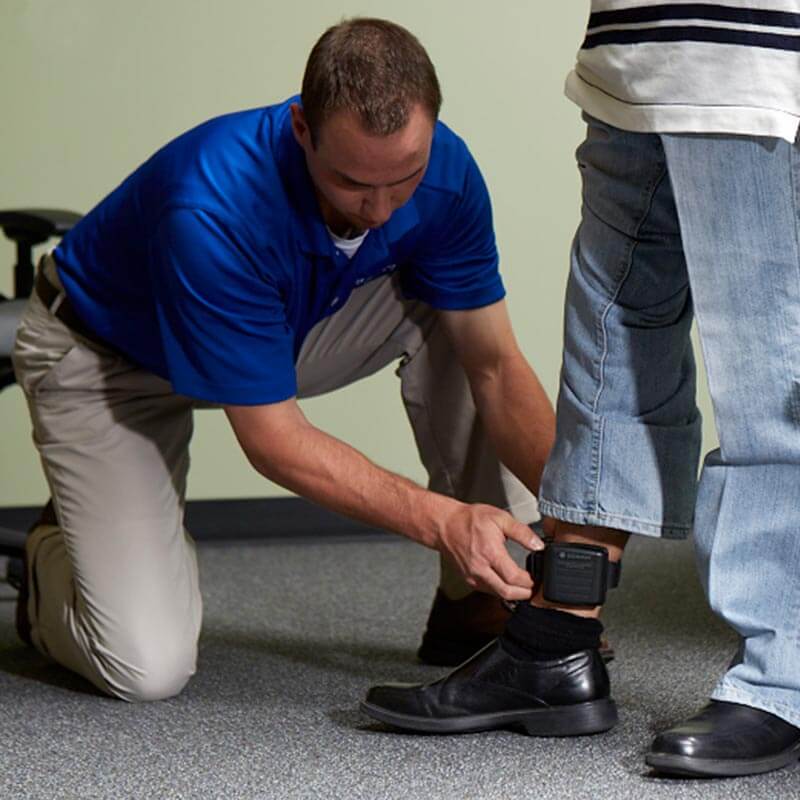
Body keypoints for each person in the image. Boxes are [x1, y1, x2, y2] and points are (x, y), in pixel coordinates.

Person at [10, 17, 557, 702]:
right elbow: (274, 442)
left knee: (454, 317)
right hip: (109, 360)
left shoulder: (446, 170)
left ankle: (475, 601)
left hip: (277, 323)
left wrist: (571, 518)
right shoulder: (211, 206)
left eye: (405, 179)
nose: (382, 210)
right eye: (354, 182)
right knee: (146, 668)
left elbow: (496, 364)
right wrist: (442, 518)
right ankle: (50, 563)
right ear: (302, 128)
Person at [362, 1, 800, 779]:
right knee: (611, 344)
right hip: (631, 55)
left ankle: (785, 676)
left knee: (768, 366)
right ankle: (556, 642)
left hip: (754, 56)